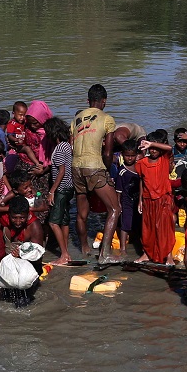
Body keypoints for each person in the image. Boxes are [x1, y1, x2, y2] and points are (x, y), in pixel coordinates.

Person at [72, 84, 122, 265]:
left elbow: (73, 145)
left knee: (81, 212)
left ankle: (84, 248)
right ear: (104, 101)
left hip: (75, 167)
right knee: (115, 209)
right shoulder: (107, 119)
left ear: (88, 101)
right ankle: (105, 254)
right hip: (94, 166)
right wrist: (107, 172)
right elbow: (108, 153)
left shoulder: (77, 117)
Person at [0, 196, 44, 300]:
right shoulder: (5, 222)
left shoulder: (35, 227)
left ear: (28, 215)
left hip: (30, 264)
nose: (18, 222)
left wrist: (23, 255)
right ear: (9, 215)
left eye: (22, 218)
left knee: (26, 292)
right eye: (14, 218)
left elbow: (38, 258)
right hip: (10, 259)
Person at [134, 130, 177, 265]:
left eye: (156, 148)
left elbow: (170, 148)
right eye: (151, 148)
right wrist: (140, 200)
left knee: (165, 228)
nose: (153, 151)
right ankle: (147, 253)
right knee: (148, 228)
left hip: (163, 199)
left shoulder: (164, 159)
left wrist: (152, 143)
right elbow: (142, 181)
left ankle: (168, 255)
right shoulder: (141, 163)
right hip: (148, 199)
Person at [42, 117, 77, 264]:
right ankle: (66, 253)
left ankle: (63, 255)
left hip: (62, 188)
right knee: (64, 220)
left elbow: (61, 171)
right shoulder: (67, 145)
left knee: (53, 222)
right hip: (69, 187)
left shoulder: (60, 148)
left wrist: (52, 191)